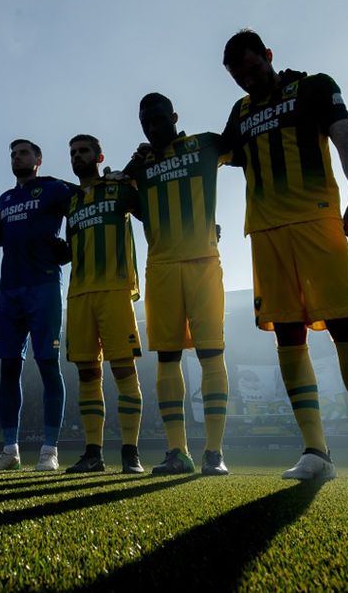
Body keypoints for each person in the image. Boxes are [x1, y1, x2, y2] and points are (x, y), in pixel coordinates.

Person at [220, 28, 348, 482]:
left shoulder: (314, 86)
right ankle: (316, 452)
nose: (248, 79)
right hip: (265, 234)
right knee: (288, 336)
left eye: (252, 67)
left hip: (316, 223)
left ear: (268, 55)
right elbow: (215, 154)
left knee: (346, 325)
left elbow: (345, 136)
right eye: (238, 76)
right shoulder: (240, 113)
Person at [123, 93, 233, 476]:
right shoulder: (142, 165)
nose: (152, 127)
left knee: (210, 354)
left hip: (203, 261)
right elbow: (121, 199)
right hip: (162, 267)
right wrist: (131, 164)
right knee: (167, 357)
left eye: (157, 119)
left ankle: (214, 453)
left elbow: (241, 145)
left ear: (174, 116)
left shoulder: (203, 144)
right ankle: (177, 452)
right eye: (145, 123)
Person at [0, 139, 75, 471]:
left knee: (49, 364)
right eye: (12, 154)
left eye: (23, 153)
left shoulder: (54, 188)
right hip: (9, 291)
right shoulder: (5, 199)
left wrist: (70, 246)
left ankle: (49, 451)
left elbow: (80, 206)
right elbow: (1, 235)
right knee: (8, 369)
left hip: (44, 286)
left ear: (38, 159)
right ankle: (10, 451)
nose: (17, 157)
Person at [61, 135, 145, 474]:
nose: (78, 156)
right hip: (79, 296)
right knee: (87, 374)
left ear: (99, 156)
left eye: (83, 151)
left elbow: (150, 215)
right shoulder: (72, 203)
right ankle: (93, 454)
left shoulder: (118, 188)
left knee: (124, 371)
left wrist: (133, 170)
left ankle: (130, 454)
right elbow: (69, 249)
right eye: (73, 153)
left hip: (114, 290)